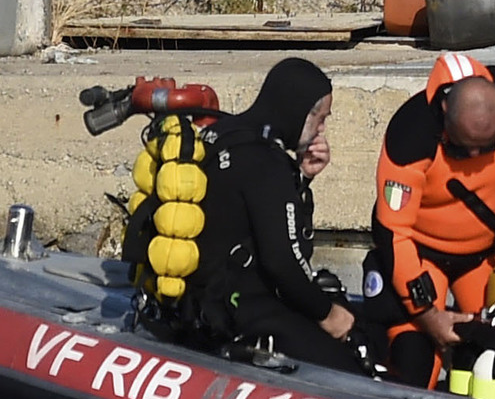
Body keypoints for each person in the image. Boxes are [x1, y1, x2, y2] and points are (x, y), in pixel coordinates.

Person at [131, 56, 370, 373]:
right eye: (321, 118)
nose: (322, 129)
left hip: (196, 304)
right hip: (242, 312)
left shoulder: (225, 133)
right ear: (299, 110)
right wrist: (329, 315)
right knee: (352, 361)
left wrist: (301, 177)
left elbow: (244, 212)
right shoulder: (267, 163)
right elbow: (284, 263)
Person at [354, 51, 495, 388]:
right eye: (464, 147)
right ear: (445, 113)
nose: (473, 157)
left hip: (485, 252)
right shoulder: (410, 135)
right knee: (415, 361)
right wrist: (428, 315)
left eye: (485, 147)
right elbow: (393, 232)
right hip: (421, 254)